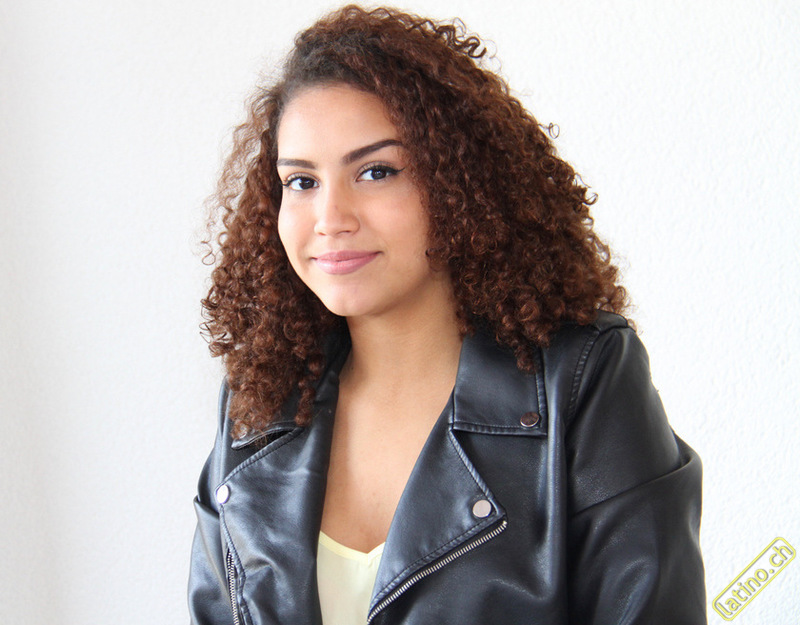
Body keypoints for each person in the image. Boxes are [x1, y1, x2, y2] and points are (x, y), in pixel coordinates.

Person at [188, 5, 706, 624]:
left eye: (376, 171)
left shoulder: (582, 380)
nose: (330, 218)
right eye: (301, 181)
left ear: (461, 183)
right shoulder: (260, 399)